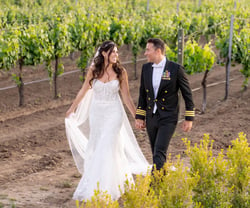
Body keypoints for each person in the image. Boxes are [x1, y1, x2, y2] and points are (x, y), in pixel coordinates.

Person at [65, 40, 149, 202]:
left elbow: (126, 97)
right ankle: (102, 183)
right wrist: (72, 108)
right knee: (99, 147)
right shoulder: (94, 71)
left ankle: (107, 188)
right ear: (104, 53)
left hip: (113, 113)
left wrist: (136, 116)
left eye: (117, 52)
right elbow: (83, 90)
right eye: (113, 52)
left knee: (107, 145)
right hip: (97, 113)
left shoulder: (120, 72)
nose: (116, 55)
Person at [135, 38, 195, 172]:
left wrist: (189, 118)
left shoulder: (175, 69)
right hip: (152, 117)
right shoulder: (146, 68)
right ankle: (163, 183)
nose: (145, 53)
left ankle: (153, 187)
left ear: (158, 51)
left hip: (168, 117)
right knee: (156, 153)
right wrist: (140, 116)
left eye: (148, 50)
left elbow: (188, 95)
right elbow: (143, 94)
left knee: (159, 151)